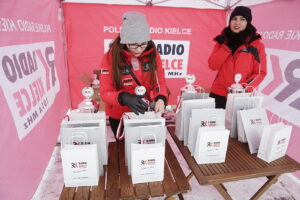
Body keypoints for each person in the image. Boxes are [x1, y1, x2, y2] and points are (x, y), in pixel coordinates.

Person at [99, 11, 168, 138]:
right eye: (133, 45)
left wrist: (161, 99)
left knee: (144, 148)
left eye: (143, 44)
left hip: (145, 113)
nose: (139, 49)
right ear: (124, 41)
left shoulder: (153, 54)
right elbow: (105, 92)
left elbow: (160, 82)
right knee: (125, 151)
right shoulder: (110, 58)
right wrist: (123, 97)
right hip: (119, 116)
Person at [208, 6, 267, 108]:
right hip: (218, 93)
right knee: (216, 123)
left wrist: (244, 86)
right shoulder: (222, 41)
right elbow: (213, 65)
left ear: (248, 22)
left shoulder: (256, 45)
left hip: (241, 95)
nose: (237, 22)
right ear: (230, 21)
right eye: (234, 19)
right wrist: (226, 47)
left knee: (237, 124)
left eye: (242, 19)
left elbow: (260, 73)